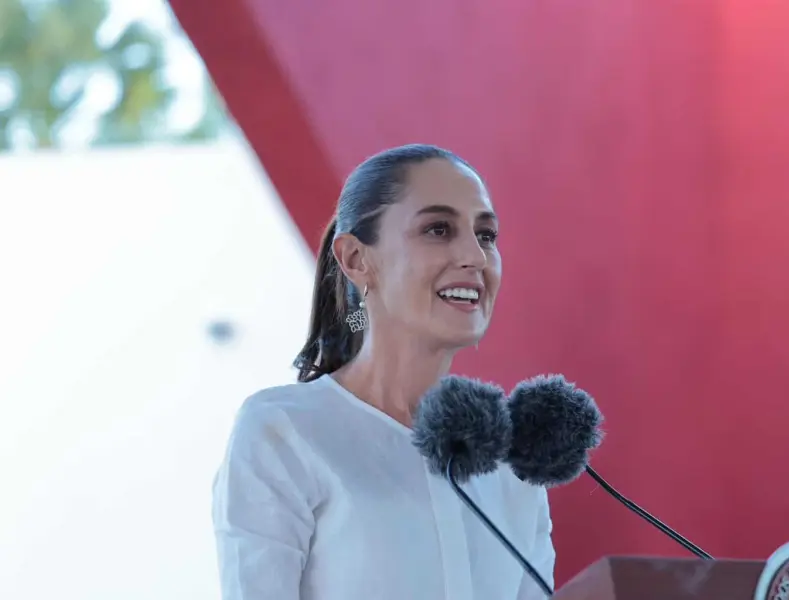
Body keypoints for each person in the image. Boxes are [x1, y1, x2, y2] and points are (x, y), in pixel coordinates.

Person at [212, 144, 554, 600]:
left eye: (486, 235)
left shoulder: (508, 462)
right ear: (355, 259)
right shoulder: (283, 429)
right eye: (438, 229)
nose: (475, 256)